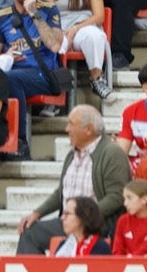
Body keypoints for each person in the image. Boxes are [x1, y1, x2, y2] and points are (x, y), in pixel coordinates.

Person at [16, 104, 130, 255]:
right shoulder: (72, 155)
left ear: (89, 129)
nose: (67, 129)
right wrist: (37, 213)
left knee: (33, 234)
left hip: (97, 223)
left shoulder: (112, 153)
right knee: (29, 231)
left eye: (71, 124)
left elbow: (117, 197)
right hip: (70, 220)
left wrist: (84, 216)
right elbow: (61, 192)